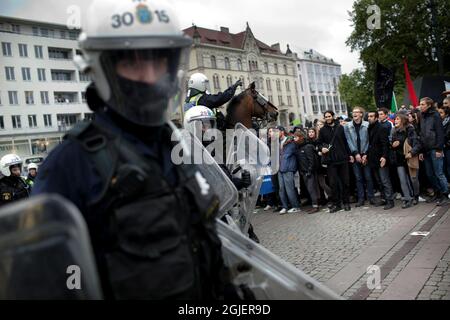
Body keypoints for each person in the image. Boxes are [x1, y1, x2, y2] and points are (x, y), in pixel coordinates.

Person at [32, 0, 232, 300]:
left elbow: (206, 249)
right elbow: (45, 284)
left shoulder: (172, 145)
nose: (150, 75)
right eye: (133, 62)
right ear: (104, 70)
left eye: (158, 60)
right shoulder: (71, 165)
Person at [183, 105, 260, 243]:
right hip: (210, 218)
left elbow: (223, 180)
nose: (208, 129)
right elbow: (210, 188)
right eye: (203, 126)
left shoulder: (210, 150)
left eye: (210, 124)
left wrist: (240, 181)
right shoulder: (189, 155)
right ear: (192, 127)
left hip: (223, 211)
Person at [317, 111, 352, 213]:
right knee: (333, 183)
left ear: (333, 117)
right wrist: (322, 148)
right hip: (331, 160)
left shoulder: (340, 127)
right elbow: (319, 143)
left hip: (342, 158)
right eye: (326, 117)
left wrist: (349, 155)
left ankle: (346, 203)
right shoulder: (323, 130)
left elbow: (346, 142)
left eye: (329, 116)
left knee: (345, 182)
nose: (328, 118)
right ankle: (337, 204)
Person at [418, 97, 449, 206]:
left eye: (422, 104)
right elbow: (421, 135)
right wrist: (421, 150)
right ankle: (438, 193)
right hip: (425, 150)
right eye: (420, 104)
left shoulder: (435, 115)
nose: (420, 106)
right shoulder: (421, 116)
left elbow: (440, 133)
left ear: (429, 105)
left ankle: (445, 195)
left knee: (439, 173)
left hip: (435, 149)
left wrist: (439, 149)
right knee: (429, 174)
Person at [344, 107, 376, 207]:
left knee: (368, 177)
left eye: (357, 112)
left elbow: (369, 141)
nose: (354, 114)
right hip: (355, 155)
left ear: (361, 114)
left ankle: (371, 197)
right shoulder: (347, 126)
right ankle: (361, 198)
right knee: (358, 178)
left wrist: (365, 154)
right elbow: (348, 141)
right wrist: (355, 153)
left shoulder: (367, 125)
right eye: (353, 112)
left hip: (365, 154)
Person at [391, 114, 421, 208]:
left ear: (403, 120)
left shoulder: (410, 129)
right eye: (395, 119)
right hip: (399, 158)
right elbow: (392, 143)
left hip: (409, 156)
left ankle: (416, 195)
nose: (395, 120)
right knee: (402, 180)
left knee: (413, 179)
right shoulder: (393, 131)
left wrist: (412, 153)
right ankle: (407, 199)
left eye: (398, 119)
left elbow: (416, 143)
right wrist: (393, 144)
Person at [367, 111, 395, 210]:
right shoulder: (369, 128)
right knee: (379, 181)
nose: (369, 118)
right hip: (373, 159)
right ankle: (384, 198)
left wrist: (384, 157)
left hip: (381, 158)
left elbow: (385, 144)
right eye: (368, 116)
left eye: (371, 116)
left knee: (385, 180)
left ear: (376, 118)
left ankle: (390, 200)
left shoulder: (381, 128)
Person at [294, 132, 320, 214]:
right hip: (303, 172)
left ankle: (316, 206)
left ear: (301, 137)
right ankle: (313, 205)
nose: (294, 139)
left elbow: (311, 160)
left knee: (312, 189)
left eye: (296, 137)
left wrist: (309, 171)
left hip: (309, 172)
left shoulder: (307, 147)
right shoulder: (298, 147)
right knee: (309, 189)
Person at [278, 130, 301, 215]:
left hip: (288, 168)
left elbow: (295, 155)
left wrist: (293, 167)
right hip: (280, 169)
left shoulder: (291, 142)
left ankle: (296, 206)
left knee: (290, 189)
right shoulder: (277, 143)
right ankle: (285, 207)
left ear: (282, 132)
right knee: (281, 189)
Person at [438, 102, 450, 181]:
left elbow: (446, 135)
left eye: (441, 113)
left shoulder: (448, 123)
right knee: (444, 166)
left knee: (449, 166)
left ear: (446, 114)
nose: (439, 115)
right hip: (443, 147)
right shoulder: (439, 122)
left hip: (448, 147)